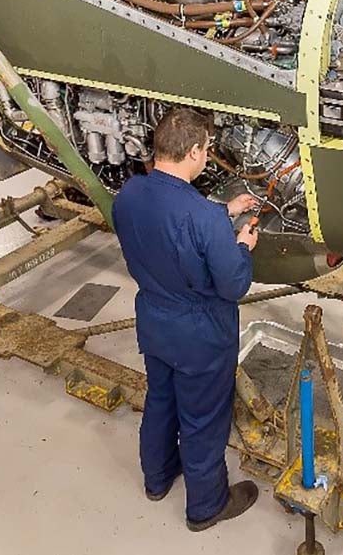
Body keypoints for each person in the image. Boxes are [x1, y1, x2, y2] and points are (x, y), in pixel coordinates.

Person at [111, 107, 261, 531]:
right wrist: (243, 244)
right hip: (200, 335)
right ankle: (206, 506)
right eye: (207, 149)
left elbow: (169, 225)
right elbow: (233, 284)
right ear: (194, 151)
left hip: (155, 322)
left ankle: (157, 478)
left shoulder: (129, 194)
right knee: (203, 419)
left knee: (161, 400)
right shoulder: (203, 217)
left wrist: (224, 211)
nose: (207, 156)